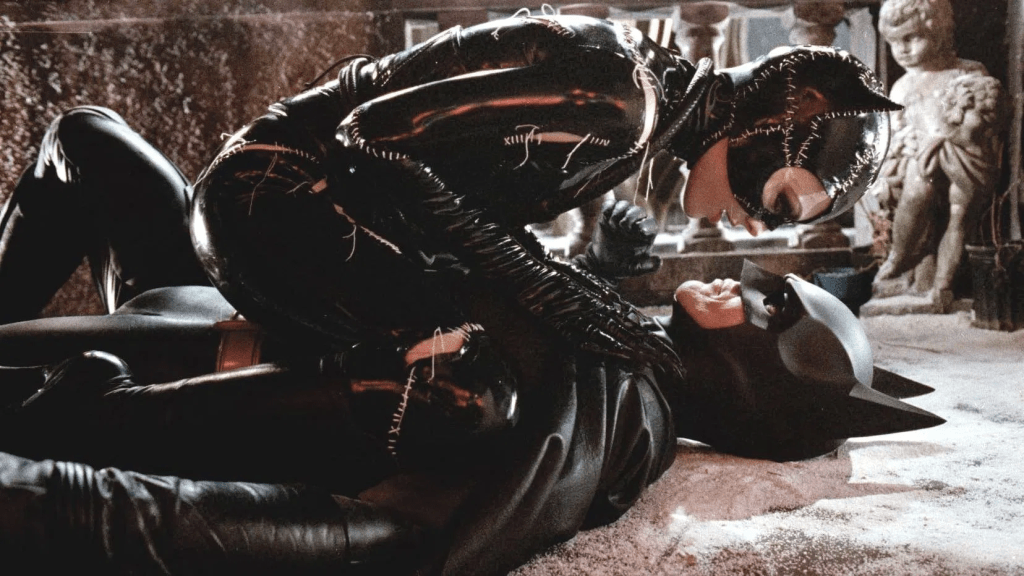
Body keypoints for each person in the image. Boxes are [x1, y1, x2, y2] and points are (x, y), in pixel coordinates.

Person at [0, 11, 902, 575]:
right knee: (466, 391)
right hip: (273, 221)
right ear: (774, 125)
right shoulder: (625, 109)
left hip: (229, 297)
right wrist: (568, 287)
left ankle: (81, 418)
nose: (750, 242)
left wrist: (580, 283)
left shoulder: (619, 383)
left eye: (768, 299)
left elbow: (418, 529)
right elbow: (382, 149)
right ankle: (84, 417)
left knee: (86, 136)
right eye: (777, 201)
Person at [870, 0, 1003, 305]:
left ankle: (942, 284)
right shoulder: (902, 87)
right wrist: (901, 148)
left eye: (911, 37)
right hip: (921, 163)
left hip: (963, 161)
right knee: (917, 187)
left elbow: (986, 119)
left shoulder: (967, 72)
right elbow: (896, 134)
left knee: (959, 214)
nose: (903, 49)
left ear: (939, 32)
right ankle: (900, 256)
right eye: (894, 42)